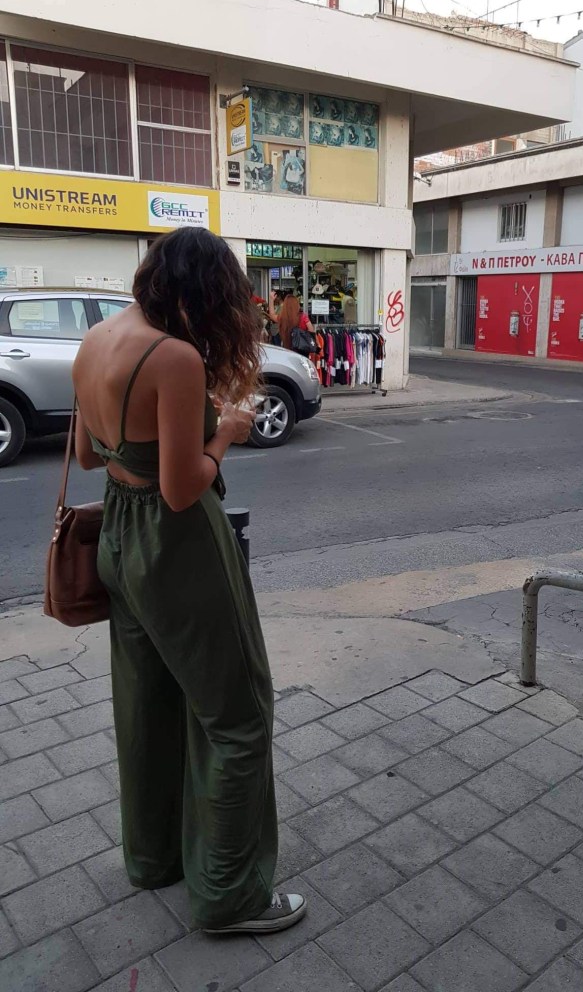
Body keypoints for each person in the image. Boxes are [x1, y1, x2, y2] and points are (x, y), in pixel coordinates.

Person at [71, 228, 306, 936]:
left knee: (147, 705)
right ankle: (231, 897)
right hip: (178, 551)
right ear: (205, 291)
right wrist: (226, 431)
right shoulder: (171, 357)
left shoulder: (97, 339)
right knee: (237, 714)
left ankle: (153, 859)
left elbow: (87, 454)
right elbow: (181, 489)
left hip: (118, 538)